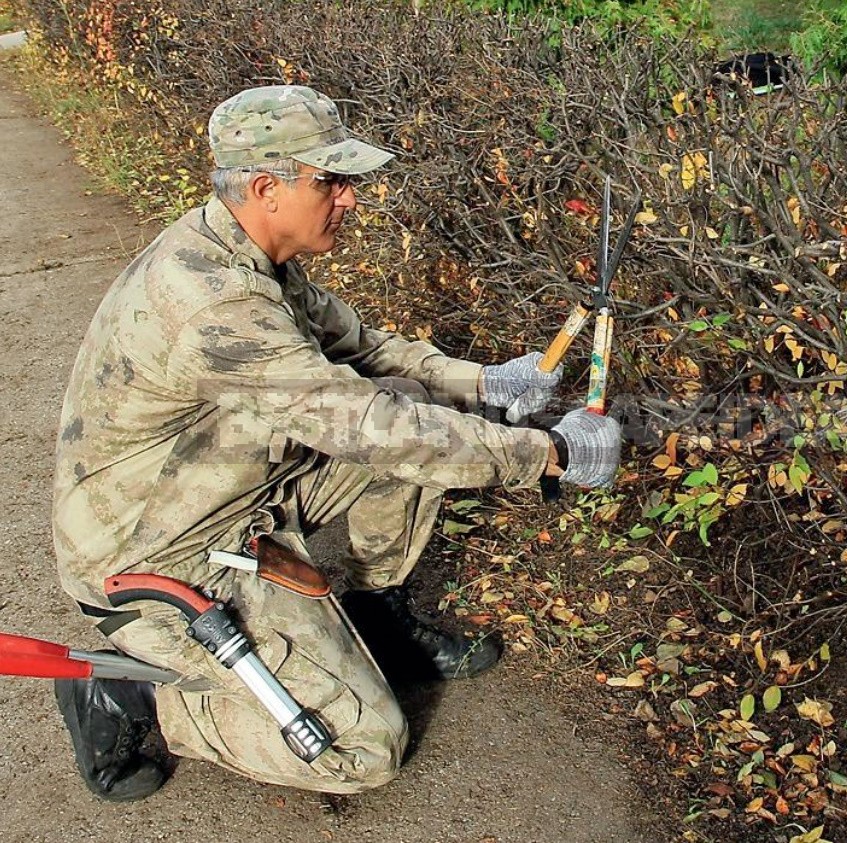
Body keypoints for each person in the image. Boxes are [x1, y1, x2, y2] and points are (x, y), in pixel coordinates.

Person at [51, 85, 621, 801]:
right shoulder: (212, 304)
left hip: (231, 493)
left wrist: (482, 384)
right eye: (331, 180)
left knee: (418, 405)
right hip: (158, 563)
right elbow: (365, 426)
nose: (350, 197)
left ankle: (377, 618)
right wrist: (550, 455)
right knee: (361, 749)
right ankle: (136, 700)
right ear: (265, 187)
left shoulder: (245, 251)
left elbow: (365, 353)